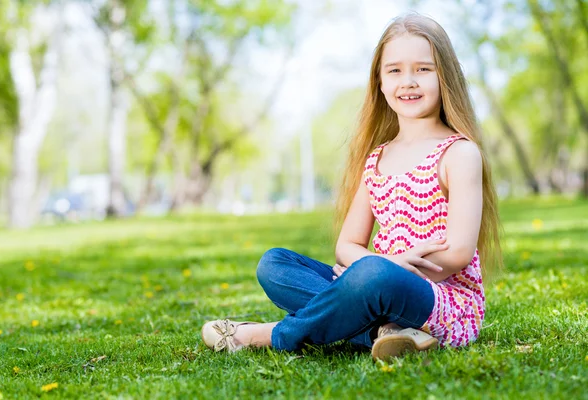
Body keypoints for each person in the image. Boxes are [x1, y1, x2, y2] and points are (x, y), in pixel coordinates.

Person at [201, 13, 502, 360]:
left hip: (439, 301)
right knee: (274, 265)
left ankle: (270, 335)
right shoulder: (377, 159)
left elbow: (458, 254)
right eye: (395, 71)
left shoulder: (459, 153)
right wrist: (377, 266)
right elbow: (347, 245)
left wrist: (383, 269)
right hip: (376, 285)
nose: (408, 81)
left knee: (373, 276)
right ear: (379, 82)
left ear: (445, 76)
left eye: (423, 69)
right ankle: (385, 333)